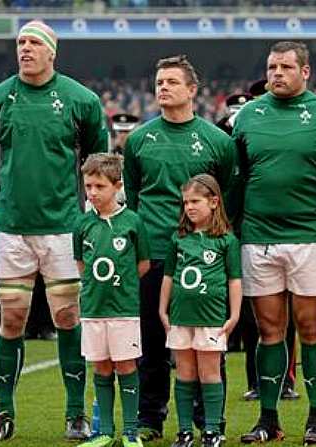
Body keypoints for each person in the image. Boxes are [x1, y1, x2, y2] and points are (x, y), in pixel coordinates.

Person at [0, 20, 108, 441]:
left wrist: (84, 209)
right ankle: (5, 413)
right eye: (20, 42)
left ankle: (74, 414)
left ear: (53, 51)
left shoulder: (80, 100)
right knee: (11, 318)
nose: (25, 49)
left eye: (34, 42)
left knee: (67, 317)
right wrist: (14, 196)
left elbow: (97, 157)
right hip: (13, 228)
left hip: (62, 228)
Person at [233, 41, 316, 445]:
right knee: (268, 331)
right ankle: (268, 419)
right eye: (271, 66)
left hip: (311, 235)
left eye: (284, 66)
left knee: (312, 328)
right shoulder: (248, 114)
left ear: (306, 72)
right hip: (259, 236)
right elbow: (240, 174)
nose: (276, 73)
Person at [123, 54, 239, 441]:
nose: (163, 88)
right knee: (153, 342)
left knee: (206, 344)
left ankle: (210, 423)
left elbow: (227, 193)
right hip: (153, 254)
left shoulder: (217, 141)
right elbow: (136, 196)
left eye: (172, 82)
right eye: (159, 82)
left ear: (193, 90)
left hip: (203, 258)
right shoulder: (139, 139)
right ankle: (150, 418)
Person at [158, 174, 242, 447]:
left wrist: (235, 314)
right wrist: (163, 310)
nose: (189, 207)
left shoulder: (226, 240)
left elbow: (234, 280)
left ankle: (212, 430)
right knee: (184, 373)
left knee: (209, 373)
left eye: (195, 201)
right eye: (185, 203)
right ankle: (184, 431)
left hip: (212, 318)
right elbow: (168, 276)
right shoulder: (179, 238)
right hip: (181, 317)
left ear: (214, 202)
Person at [74, 153, 151, 447]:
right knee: (101, 368)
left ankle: (130, 432)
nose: (92, 192)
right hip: (93, 309)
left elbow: (142, 264)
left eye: (99, 186)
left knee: (126, 367)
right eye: (88, 186)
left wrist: (123, 285)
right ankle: (104, 432)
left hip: (123, 309)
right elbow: (82, 265)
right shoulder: (82, 225)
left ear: (117, 186)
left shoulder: (132, 221)